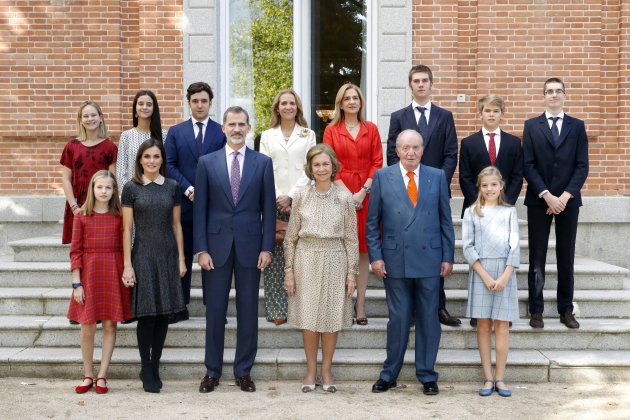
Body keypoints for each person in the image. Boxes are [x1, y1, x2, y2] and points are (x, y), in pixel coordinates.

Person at [194, 106, 275, 394]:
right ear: (223, 128)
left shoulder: (263, 163)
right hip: (215, 249)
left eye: (242, 124)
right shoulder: (207, 163)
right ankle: (212, 372)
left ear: (249, 127)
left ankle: (243, 371)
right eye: (232, 124)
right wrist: (201, 249)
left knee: (248, 311)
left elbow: (268, 209)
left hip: (251, 247)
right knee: (215, 311)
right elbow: (200, 209)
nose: (237, 129)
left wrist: (267, 247)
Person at [367, 129, 455, 396]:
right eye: (405, 148)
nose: (410, 152)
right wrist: (376, 256)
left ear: (423, 150)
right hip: (395, 259)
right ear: (396, 150)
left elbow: (445, 220)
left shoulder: (437, 176)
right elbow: (372, 223)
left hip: (430, 258)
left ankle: (427, 375)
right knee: (398, 319)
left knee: (429, 318)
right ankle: (389, 374)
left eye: (415, 147)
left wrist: (448, 256)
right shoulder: (382, 177)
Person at [385, 65, 459, 326]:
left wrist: (437, 184)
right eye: (416, 81)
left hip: (434, 194)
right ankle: (412, 310)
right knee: (411, 248)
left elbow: (451, 153)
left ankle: (438, 307)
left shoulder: (444, 116)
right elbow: (392, 154)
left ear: (431, 83)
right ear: (410, 85)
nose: (420, 84)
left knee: (435, 247)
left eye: (425, 80)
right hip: (406, 193)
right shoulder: (399, 116)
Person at [284, 144, 358, 393]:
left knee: (331, 318)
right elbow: (290, 238)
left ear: (333, 166)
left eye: (326, 164)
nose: (321, 168)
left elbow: (351, 239)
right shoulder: (301, 196)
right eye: (316, 164)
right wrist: (289, 270)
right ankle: (310, 371)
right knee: (309, 318)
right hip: (305, 259)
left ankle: (326, 370)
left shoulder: (345, 198)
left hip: (335, 259)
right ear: (310, 168)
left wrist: (352, 273)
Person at [121, 138, 187, 393]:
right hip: (143, 256)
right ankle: (146, 367)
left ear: (162, 160)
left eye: (156, 156)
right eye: (147, 156)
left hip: (167, 255)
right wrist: (127, 265)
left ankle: (155, 365)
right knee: (147, 315)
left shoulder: (172, 186)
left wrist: (181, 258)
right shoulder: (131, 188)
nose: (151, 161)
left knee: (162, 315)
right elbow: (127, 229)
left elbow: (176, 225)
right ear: (140, 159)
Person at [523, 77, 589, 330]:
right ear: (544, 96)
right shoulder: (531, 126)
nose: (554, 95)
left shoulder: (577, 126)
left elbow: (582, 165)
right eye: (549, 91)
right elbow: (528, 164)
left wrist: (564, 196)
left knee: (566, 255)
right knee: (537, 256)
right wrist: (547, 195)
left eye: (558, 91)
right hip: (539, 200)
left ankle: (566, 309)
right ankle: (536, 309)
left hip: (568, 202)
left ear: (564, 95)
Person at [459, 95, 523, 327]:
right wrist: (478, 204)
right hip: (477, 210)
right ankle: (479, 312)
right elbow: (465, 176)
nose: (491, 114)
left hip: (503, 209)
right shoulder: (469, 143)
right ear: (480, 113)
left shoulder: (514, 143)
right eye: (487, 110)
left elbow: (517, 176)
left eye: (496, 111)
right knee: (479, 259)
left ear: (502, 114)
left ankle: (502, 313)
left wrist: (504, 203)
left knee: (502, 258)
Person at [165, 82, 226, 324]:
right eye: (195, 101)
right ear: (188, 103)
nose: (200, 105)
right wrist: (189, 188)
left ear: (210, 103)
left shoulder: (221, 132)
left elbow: (226, 163)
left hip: (214, 205)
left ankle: (214, 308)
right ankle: (180, 306)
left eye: (204, 101)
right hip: (184, 203)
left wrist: (207, 191)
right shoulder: (176, 132)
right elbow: (169, 165)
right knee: (181, 252)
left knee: (213, 256)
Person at [323, 83, 382, 326]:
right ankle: (343, 303)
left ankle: (360, 305)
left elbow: (377, 162)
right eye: (346, 98)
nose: (351, 102)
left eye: (355, 97)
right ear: (340, 103)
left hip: (367, 193)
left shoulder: (371, 129)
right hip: (339, 192)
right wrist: (348, 194)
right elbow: (328, 162)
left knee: (363, 251)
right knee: (342, 248)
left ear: (361, 102)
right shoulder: (331, 130)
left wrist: (362, 192)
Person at [68, 170, 132, 394]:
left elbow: (125, 247)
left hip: (113, 270)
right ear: (92, 189)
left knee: (110, 325)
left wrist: (126, 269)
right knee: (87, 325)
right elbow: (75, 251)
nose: (104, 191)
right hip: (89, 273)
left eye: (108, 187)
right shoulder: (81, 216)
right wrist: (77, 283)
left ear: (114, 190)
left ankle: (102, 375)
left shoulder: (119, 216)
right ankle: (88, 374)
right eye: (100, 187)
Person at [259, 89, 316, 326]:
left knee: (300, 257)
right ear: (277, 107)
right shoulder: (267, 135)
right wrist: (277, 197)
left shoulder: (308, 134)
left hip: (300, 201)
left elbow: (310, 168)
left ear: (298, 107)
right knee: (275, 258)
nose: (288, 107)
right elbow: (263, 166)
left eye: (292, 103)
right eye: (284, 103)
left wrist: (291, 196)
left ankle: (299, 309)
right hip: (272, 201)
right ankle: (277, 310)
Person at [462, 167, 519, 397]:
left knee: (502, 326)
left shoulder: (509, 212)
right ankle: (488, 378)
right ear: (479, 187)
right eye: (485, 185)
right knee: (483, 326)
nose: (489, 189)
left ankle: (500, 378)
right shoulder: (471, 213)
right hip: (481, 273)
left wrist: (505, 276)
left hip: (505, 272)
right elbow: (467, 247)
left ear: (501, 186)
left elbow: (515, 246)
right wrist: (484, 275)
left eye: (494, 184)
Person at [60, 100, 117, 244]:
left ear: (100, 118)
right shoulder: (71, 147)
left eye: (93, 115)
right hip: (77, 204)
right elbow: (66, 179)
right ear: (80, 120)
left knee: (100, 245)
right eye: (86, 116)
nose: (90, 119)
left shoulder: (110, 147)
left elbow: (113, 180)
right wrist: (74, 206)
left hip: (102, 205)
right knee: (78, 248)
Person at [117, 90, 167, 189]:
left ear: (154, 108)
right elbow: (120, 172)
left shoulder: (164, 135)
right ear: (135, 108)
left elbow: (167, 167)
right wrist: (129, 193)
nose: (144, 107)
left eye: (149, 104)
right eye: (140, 104)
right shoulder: (126, 136)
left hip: (158, 192)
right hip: (133, 193)